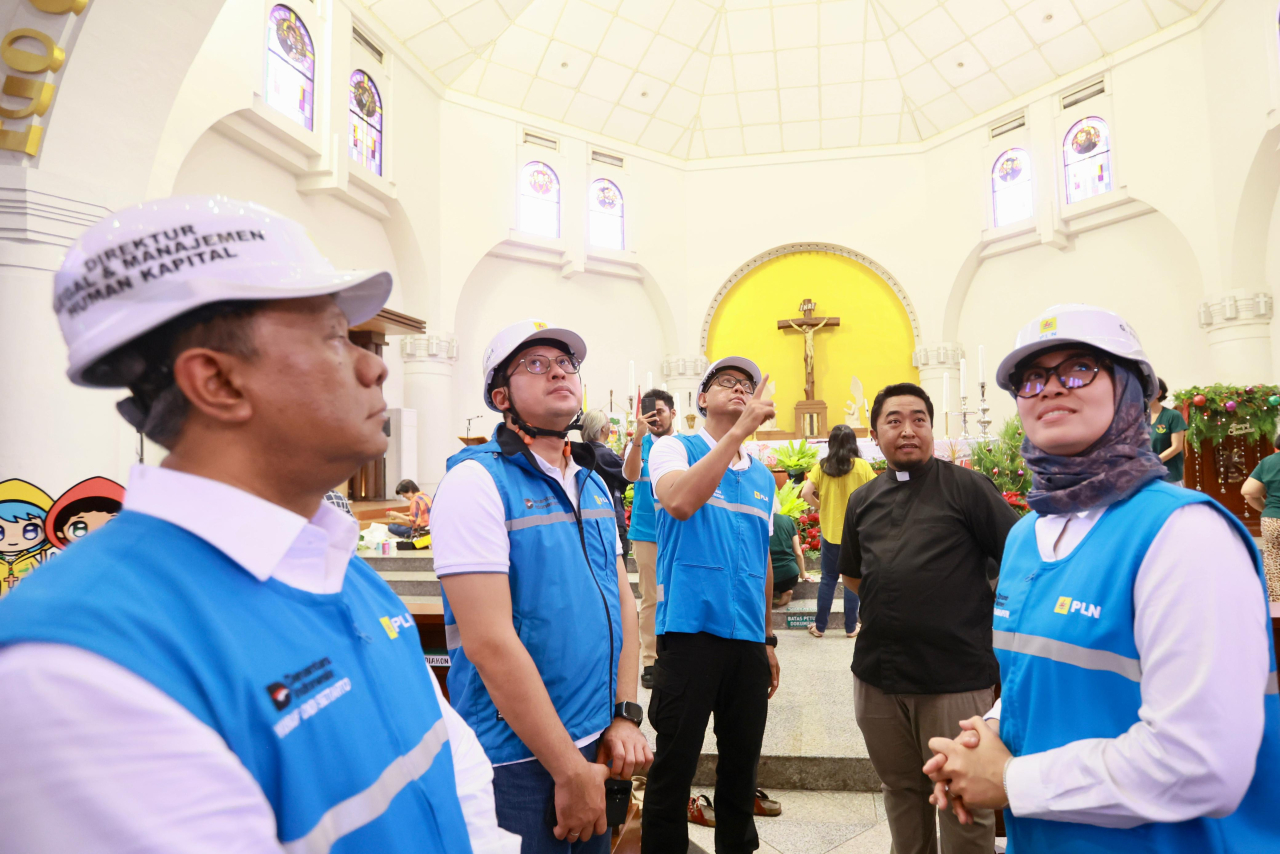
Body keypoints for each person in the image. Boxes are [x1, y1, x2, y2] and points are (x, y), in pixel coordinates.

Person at [0, 196, 518, 853]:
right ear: (218, 382)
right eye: (334, 337)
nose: (375, 366)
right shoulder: (84, 669)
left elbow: (449, 766)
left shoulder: (335, 568)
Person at [925, 304, 1280, 853]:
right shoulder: (1027, 535)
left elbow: (1204, 765)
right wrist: (986, 737)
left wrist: (1012, 781)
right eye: (1031, 378)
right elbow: (1043, 680)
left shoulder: (1184, 534)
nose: (1049, 387)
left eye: (1078, 369)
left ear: (1130, 389)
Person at [430, 320, 651, 854]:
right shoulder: (475, 483)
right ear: (500, 397)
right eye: (534, 364)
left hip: (596, 739)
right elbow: (488, 642)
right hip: (518, 758)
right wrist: (567, 769)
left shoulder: (592, 483)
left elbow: (622, 603)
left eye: (566, 363)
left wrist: (624, 715)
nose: (557, 371)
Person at [837, 382, 1018, 854]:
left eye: (919, 419)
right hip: (879, 676)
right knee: (900, 790)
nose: (908, 430)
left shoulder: (967, 488)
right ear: (874, 435)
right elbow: (854, 576)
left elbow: (1020, 559)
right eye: (894, 420)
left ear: (931, 428)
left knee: (962, 797)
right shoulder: (863, 500)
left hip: (954, 676)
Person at [642, 356, 781, 854]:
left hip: (746, 637)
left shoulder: (763, 477)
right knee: (674, 764)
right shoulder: (673, 448)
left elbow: (763, 559)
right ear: (702, 398)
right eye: (726, 382)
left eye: (747, 384)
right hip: (689, 631)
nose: (740, 389)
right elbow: (680, 502)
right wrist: (738, 433)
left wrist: (767, 638)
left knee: (742, 769)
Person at [622, 388, 676, 689]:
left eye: (660, 412)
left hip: (678, 528)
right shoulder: (640, 446)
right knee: (651, 597)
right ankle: (650, 659)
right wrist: (638, 438)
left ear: (673, 413)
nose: (656, 419)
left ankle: (677, 652)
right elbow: (630, 475)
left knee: (679, 591)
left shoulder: (683, 445)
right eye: (650, 414)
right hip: (646, 531)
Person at [800, 424, 875, 638]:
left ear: (831, 443)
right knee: (852, 577)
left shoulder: (823, 466)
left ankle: (819, 626)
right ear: (853, 442)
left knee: (828, 579)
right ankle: (851, 627)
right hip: (855, 532)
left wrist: (820, 506)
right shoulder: (862, 466)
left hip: (831, 531)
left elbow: (805, 493)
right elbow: (875, 493)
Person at [579, 409, 631, 559]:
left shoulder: (581, 453)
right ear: (603, 428)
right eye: (609, 423)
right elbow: (630, 474)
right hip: (612, 519)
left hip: (588, 517)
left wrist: (621, 456)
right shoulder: (605, 454)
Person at [1242, 440, 1280, 600]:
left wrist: (1267, 510)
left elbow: (1248, 491)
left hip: (1273, 520)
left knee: (1274, 566)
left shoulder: (1268, 461)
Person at [1149, 377, 1187, 485]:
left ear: (1158, 393)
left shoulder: (1173, 416)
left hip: (1170, 478)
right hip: (1147, 478)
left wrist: (1153, 462)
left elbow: (1177, 447)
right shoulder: (1139, 418)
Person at [768, 511, 807, 607]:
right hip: (790, 574)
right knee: (785, 577)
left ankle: (767, 596)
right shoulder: (787, 520)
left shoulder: (759, 520)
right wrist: (803, 574)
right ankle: (786, 590)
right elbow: (798, 552)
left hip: (769, 575)